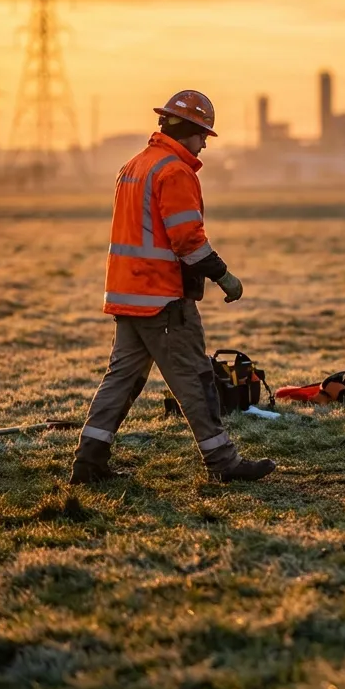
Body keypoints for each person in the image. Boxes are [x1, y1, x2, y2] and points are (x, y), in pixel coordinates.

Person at [69, 90, 277, 485]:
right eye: (202, 136)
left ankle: (88, 463)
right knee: (196, 380)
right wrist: (224, 277)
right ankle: (223, 463)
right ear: (188, 131)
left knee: (121, 381)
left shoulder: (135, 165)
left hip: (127, 296)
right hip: (162, 299)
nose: (204, 145)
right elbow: (188, 242)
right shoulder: (174, 171)